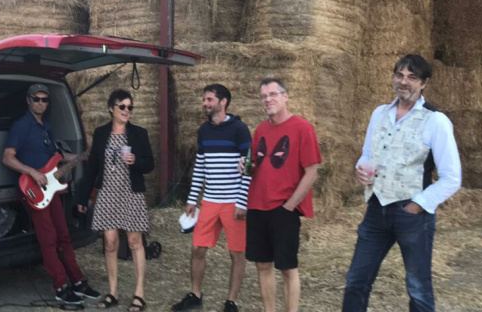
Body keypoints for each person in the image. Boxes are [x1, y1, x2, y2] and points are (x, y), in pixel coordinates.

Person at [341, 55, 461, 312]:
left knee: (418, 288)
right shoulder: (379, 113)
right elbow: (367, 155)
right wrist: (360, 170)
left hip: (412, 215)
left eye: (412, 77)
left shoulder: (436, 121)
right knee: (356, 281)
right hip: (376, 210)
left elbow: (452, 177)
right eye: (399, 75)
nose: (403, 82)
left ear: (424, 83)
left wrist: (417, 205)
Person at [2, 83, 101, 306]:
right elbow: (7, 157)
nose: (40, 103)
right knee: (48, 239)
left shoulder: (47, 127)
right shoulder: (21, 126)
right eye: (36, 99)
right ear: (28, 100)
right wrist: (32, 172)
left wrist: (82, 155)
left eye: (44, 100)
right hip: (33, 189)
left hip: (51, 188)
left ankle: (77, 281)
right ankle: (60, 286)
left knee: (64, 236)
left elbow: (56, 157)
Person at [239, 77, 321, 312]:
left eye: (273, 94)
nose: (268, 100)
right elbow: (256, 164)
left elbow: (312, 173)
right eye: (263, 96)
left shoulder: (302, 127)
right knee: (262, 265)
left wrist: (289, 206)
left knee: (287, 268)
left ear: (285, 97)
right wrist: (245, 166)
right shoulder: (261, 129)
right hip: (257, 206)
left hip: (283, 208)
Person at [172, 84, 252, 312]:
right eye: (204, 99)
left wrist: (242, 202)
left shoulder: (240, 129)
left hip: (233, 202)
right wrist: (192, 198)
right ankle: (195, 294)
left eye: (209, 99)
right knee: (197, 249)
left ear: (223, 101)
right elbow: (200, 167)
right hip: (209, 201)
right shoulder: (203, 131)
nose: (205, 103)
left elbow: (248, 167)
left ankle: (231, 301)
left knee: (236, 253)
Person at [76, 89, 154, 311]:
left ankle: (139, 294)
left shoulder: (139, 133)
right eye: (123, 106)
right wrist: (82, 197)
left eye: (130, 107)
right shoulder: (101, 134)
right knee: (110, 243)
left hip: (131, 193)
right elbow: (92, 168)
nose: (127, 111)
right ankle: (113, 292)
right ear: (111, 108)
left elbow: (149, 165)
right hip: (107, 194)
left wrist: (135, 160)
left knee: (134, 242)